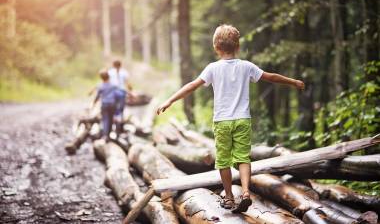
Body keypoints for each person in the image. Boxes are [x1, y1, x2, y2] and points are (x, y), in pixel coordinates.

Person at [156, 24, 305, 213]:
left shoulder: (213, 68)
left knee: (224, 161)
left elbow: (192, 85)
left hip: (222, 121)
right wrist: (293, 82)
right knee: (243, 158)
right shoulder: (246, 66)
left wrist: (169, 100)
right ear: (237, 46)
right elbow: (271, 76)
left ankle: (228, 197)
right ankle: (245, 192)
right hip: (243, 120)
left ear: (216, 47)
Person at [108, 59, 132, 134]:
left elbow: (108, 82)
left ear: (113, 65)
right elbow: (128, 83)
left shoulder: (110, 72)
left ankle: (115, 126)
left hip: (114, 93)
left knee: (115, 109)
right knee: (120, 109)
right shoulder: (124, 72)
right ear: (120, 65)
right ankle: (119, 126)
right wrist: (130, 90)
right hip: (120, 92)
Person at [92, 70, 118, 141]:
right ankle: (108, 135)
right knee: (110, 120)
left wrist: (93, 104)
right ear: (108, 76)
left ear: (101, 78)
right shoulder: (113, 85)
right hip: (112, 104)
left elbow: (97, 96)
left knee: (105, 120)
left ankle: (105, 135)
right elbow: (117, 94)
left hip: (104, 104)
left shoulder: (100, 86)